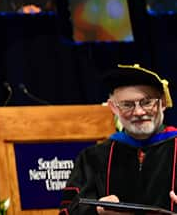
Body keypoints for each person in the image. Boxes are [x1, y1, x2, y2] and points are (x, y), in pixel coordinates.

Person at [59, 64, 177, 215]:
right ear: (113, 107)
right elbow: (67, 211)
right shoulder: (93, 158)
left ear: (163, 102)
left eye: (147, 102)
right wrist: (97, 210)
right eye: (127, 105)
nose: (139, 112)